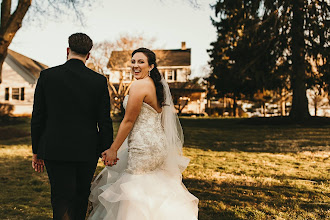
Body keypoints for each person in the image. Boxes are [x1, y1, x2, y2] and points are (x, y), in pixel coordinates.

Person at [88, 48, 198, 219]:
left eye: (141, 62)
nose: (135, 65)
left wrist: (113, 149)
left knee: (135, 189)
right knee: (154, 185)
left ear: (151, 66)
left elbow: (128, 121)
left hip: (143, 146)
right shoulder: (155, 85)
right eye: (133, 62)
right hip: (158, 144)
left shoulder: (140, 85)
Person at [31, 33, 113, 220]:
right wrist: (106, 148)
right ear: (88, 55)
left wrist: (37, 150)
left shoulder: (47, 76)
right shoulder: (98, 81)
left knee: (60, 196)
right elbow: (104, 120)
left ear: (68, 50)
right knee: (81, 194)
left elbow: (38, 117)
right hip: (87, 149)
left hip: (54, 148)